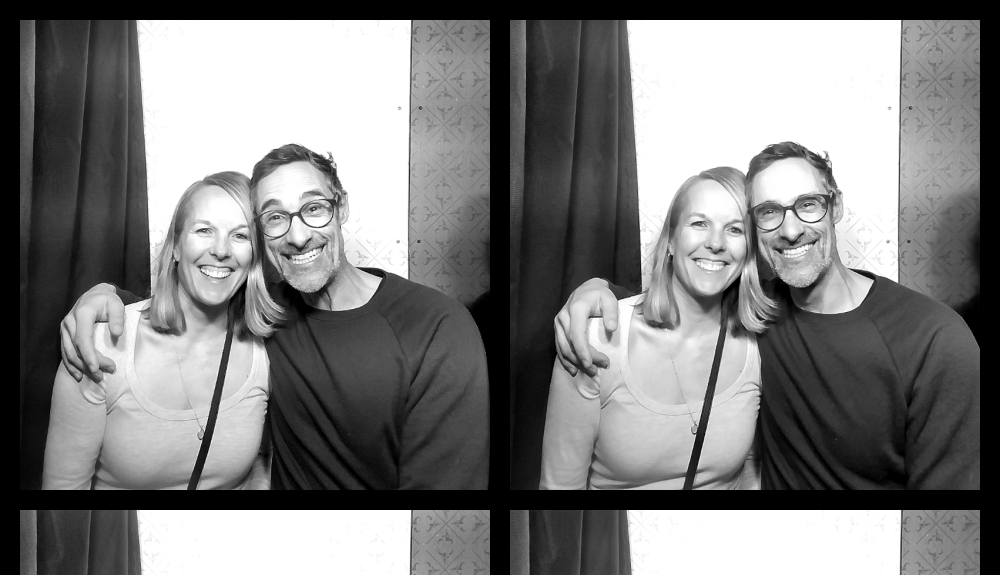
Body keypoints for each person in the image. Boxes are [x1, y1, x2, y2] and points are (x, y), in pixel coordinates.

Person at [59, 144, 490, 490]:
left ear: (341, 207)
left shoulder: (436, 328)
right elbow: (190, 302)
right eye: (276, 217)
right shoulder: (268, 313)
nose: (298, 236)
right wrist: (105, 298)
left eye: (314, 208)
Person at [553, 142, 980, 490]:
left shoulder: (934, 340)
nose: (790, 230)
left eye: (808, 204)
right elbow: (685, 293)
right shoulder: (761, 311)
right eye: (770, 212)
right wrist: (594, 292)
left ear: (836, 207)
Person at [542, 167, 775, 490]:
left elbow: (751, 472)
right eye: (699, 223)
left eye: (735, 229)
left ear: (748, 251)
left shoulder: (759, 345)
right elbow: (560, 489)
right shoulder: (596, 340)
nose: (716, 243)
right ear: (670, 241)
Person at [43, 172, 276, 489]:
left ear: (254, 256)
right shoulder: (100, 346)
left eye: (240, 235)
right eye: (204, 230)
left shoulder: (268, 351)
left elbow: (265, 455)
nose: (221, 250)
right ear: (176, 247)